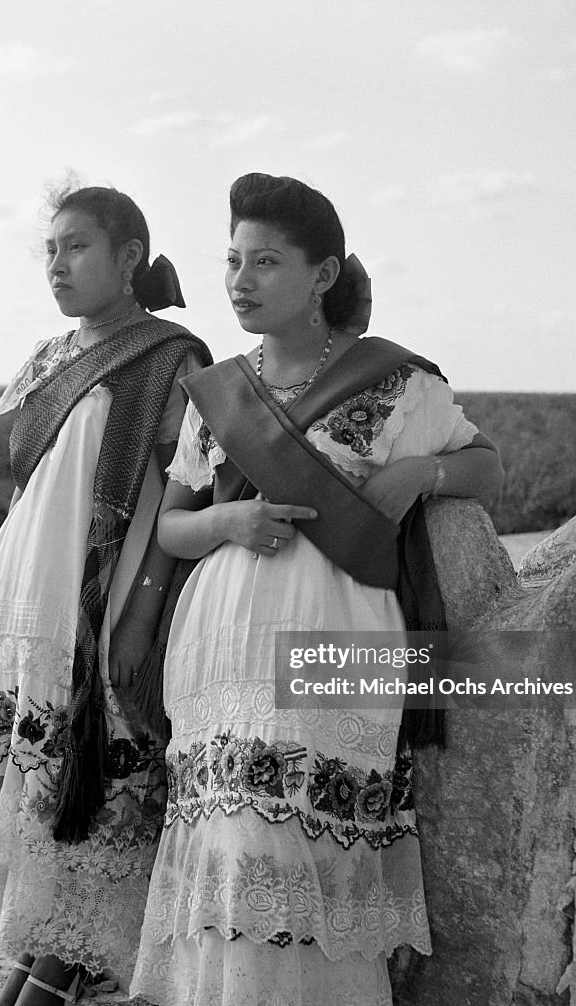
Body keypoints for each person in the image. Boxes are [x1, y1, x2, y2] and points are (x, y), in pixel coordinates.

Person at [130, 173, 503, 1006]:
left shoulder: (397, 384)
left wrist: (422, 470)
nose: (240, 281)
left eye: (265, 262)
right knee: (230, 850)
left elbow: (487, 465)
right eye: (232, 261)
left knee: (303, 851)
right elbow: (170, 527)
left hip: (338, 632)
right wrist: (227, 525)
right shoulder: (215, 395)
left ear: (324, 276)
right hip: (222, 647)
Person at [0, 182, 211, 1006]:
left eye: (77, 246)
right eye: (50, 249)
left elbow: (174, 497)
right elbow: (34, 487)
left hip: (100, 603)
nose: (57, 264)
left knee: (100, 789)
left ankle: (63, 970)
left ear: (129, 259)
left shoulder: (169, 358)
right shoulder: (49, 358)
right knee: (39, 792)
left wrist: (138, 613)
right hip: (26, 598)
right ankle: (40, 960)